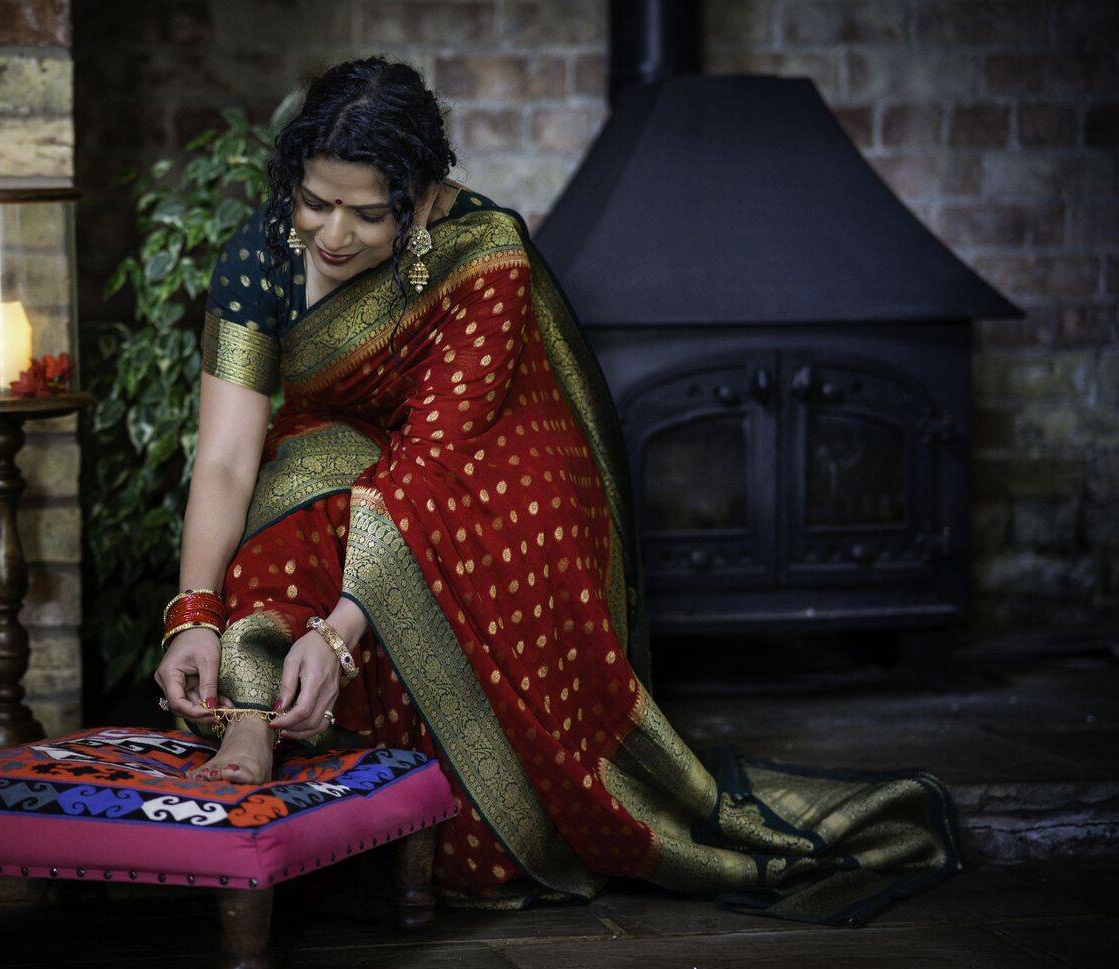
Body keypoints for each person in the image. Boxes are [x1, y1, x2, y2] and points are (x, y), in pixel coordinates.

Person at [154, 56, 960, 922]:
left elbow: (431, 462)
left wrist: (343, 635)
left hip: (494, 459)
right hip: (346, 444)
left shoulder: (483, 254)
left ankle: (481, 809)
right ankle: (252, 711)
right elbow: (227, 459)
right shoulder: (261, 257)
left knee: (387, 509)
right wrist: (192, 612)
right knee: (296, 485)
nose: (334, 234)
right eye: (316, 202)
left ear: (421, 203)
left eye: (368, 213)